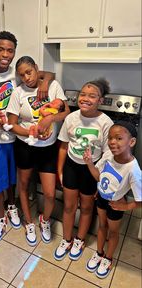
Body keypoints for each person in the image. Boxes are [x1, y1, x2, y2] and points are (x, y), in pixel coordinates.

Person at [0, 31, 55, 245]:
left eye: (10, 50)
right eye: (1, 49)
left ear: (14, 52)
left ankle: (11, 207)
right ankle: (0, 218)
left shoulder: (18, 73)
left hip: (15, 137)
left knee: (12, 179)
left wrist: (45, 84)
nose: (5, 54)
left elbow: (46, 74)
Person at [6, 56, 70, 246]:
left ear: (36, 68)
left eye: (29, 72)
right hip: (25, 146)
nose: (26, 77)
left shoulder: (52, 86)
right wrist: (31, 132)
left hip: (48, 149)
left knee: (50, 194)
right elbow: (12, 124)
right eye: (22, 75)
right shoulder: (18, 93)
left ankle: (44, 219)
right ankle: (29, 222)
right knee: (23, 186)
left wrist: (49, 120)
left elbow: (65, 112)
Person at [54, 78, 114, 261]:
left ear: (100, 100)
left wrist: (100, 181)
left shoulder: (105, 122)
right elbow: (64, 146)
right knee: (69, 206)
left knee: (87, 208)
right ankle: (66, 239)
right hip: (72, 166)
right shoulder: (71, 117)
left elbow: (107, 156)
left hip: (92, 169)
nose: (86, 98)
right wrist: (60, 171)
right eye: (83, 94)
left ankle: (79, 239)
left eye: (92, 96)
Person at [83, 121, 141, 279]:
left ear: (132, 142)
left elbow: (140, 200)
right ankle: (99, 253)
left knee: (113, 231)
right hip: (101, 199)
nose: (112, 142)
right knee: (102, 226)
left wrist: (125, 206)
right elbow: (99, 176)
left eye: (119, 138)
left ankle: (108, 258)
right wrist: (89, 163)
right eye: (110, 138)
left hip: (116, 205)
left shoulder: (133, 170)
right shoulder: (108, 155)